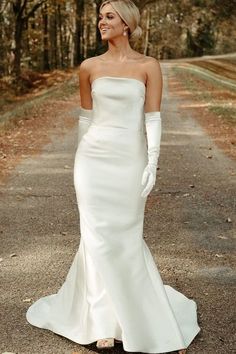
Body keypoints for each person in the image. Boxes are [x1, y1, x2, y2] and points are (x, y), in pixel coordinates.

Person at [26, 1, 200, 353]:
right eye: (100, 17)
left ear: (127, 24)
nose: (101, 22)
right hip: (92, 162)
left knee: (125, 237)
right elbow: (85, 119)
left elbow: (152, 118)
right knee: (95, 238)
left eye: (109, 17)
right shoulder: (89, 67)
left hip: (130, 161)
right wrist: (79, 159)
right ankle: (102, 320)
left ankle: (140, 315)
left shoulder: (148, 66)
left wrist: (152, 162)